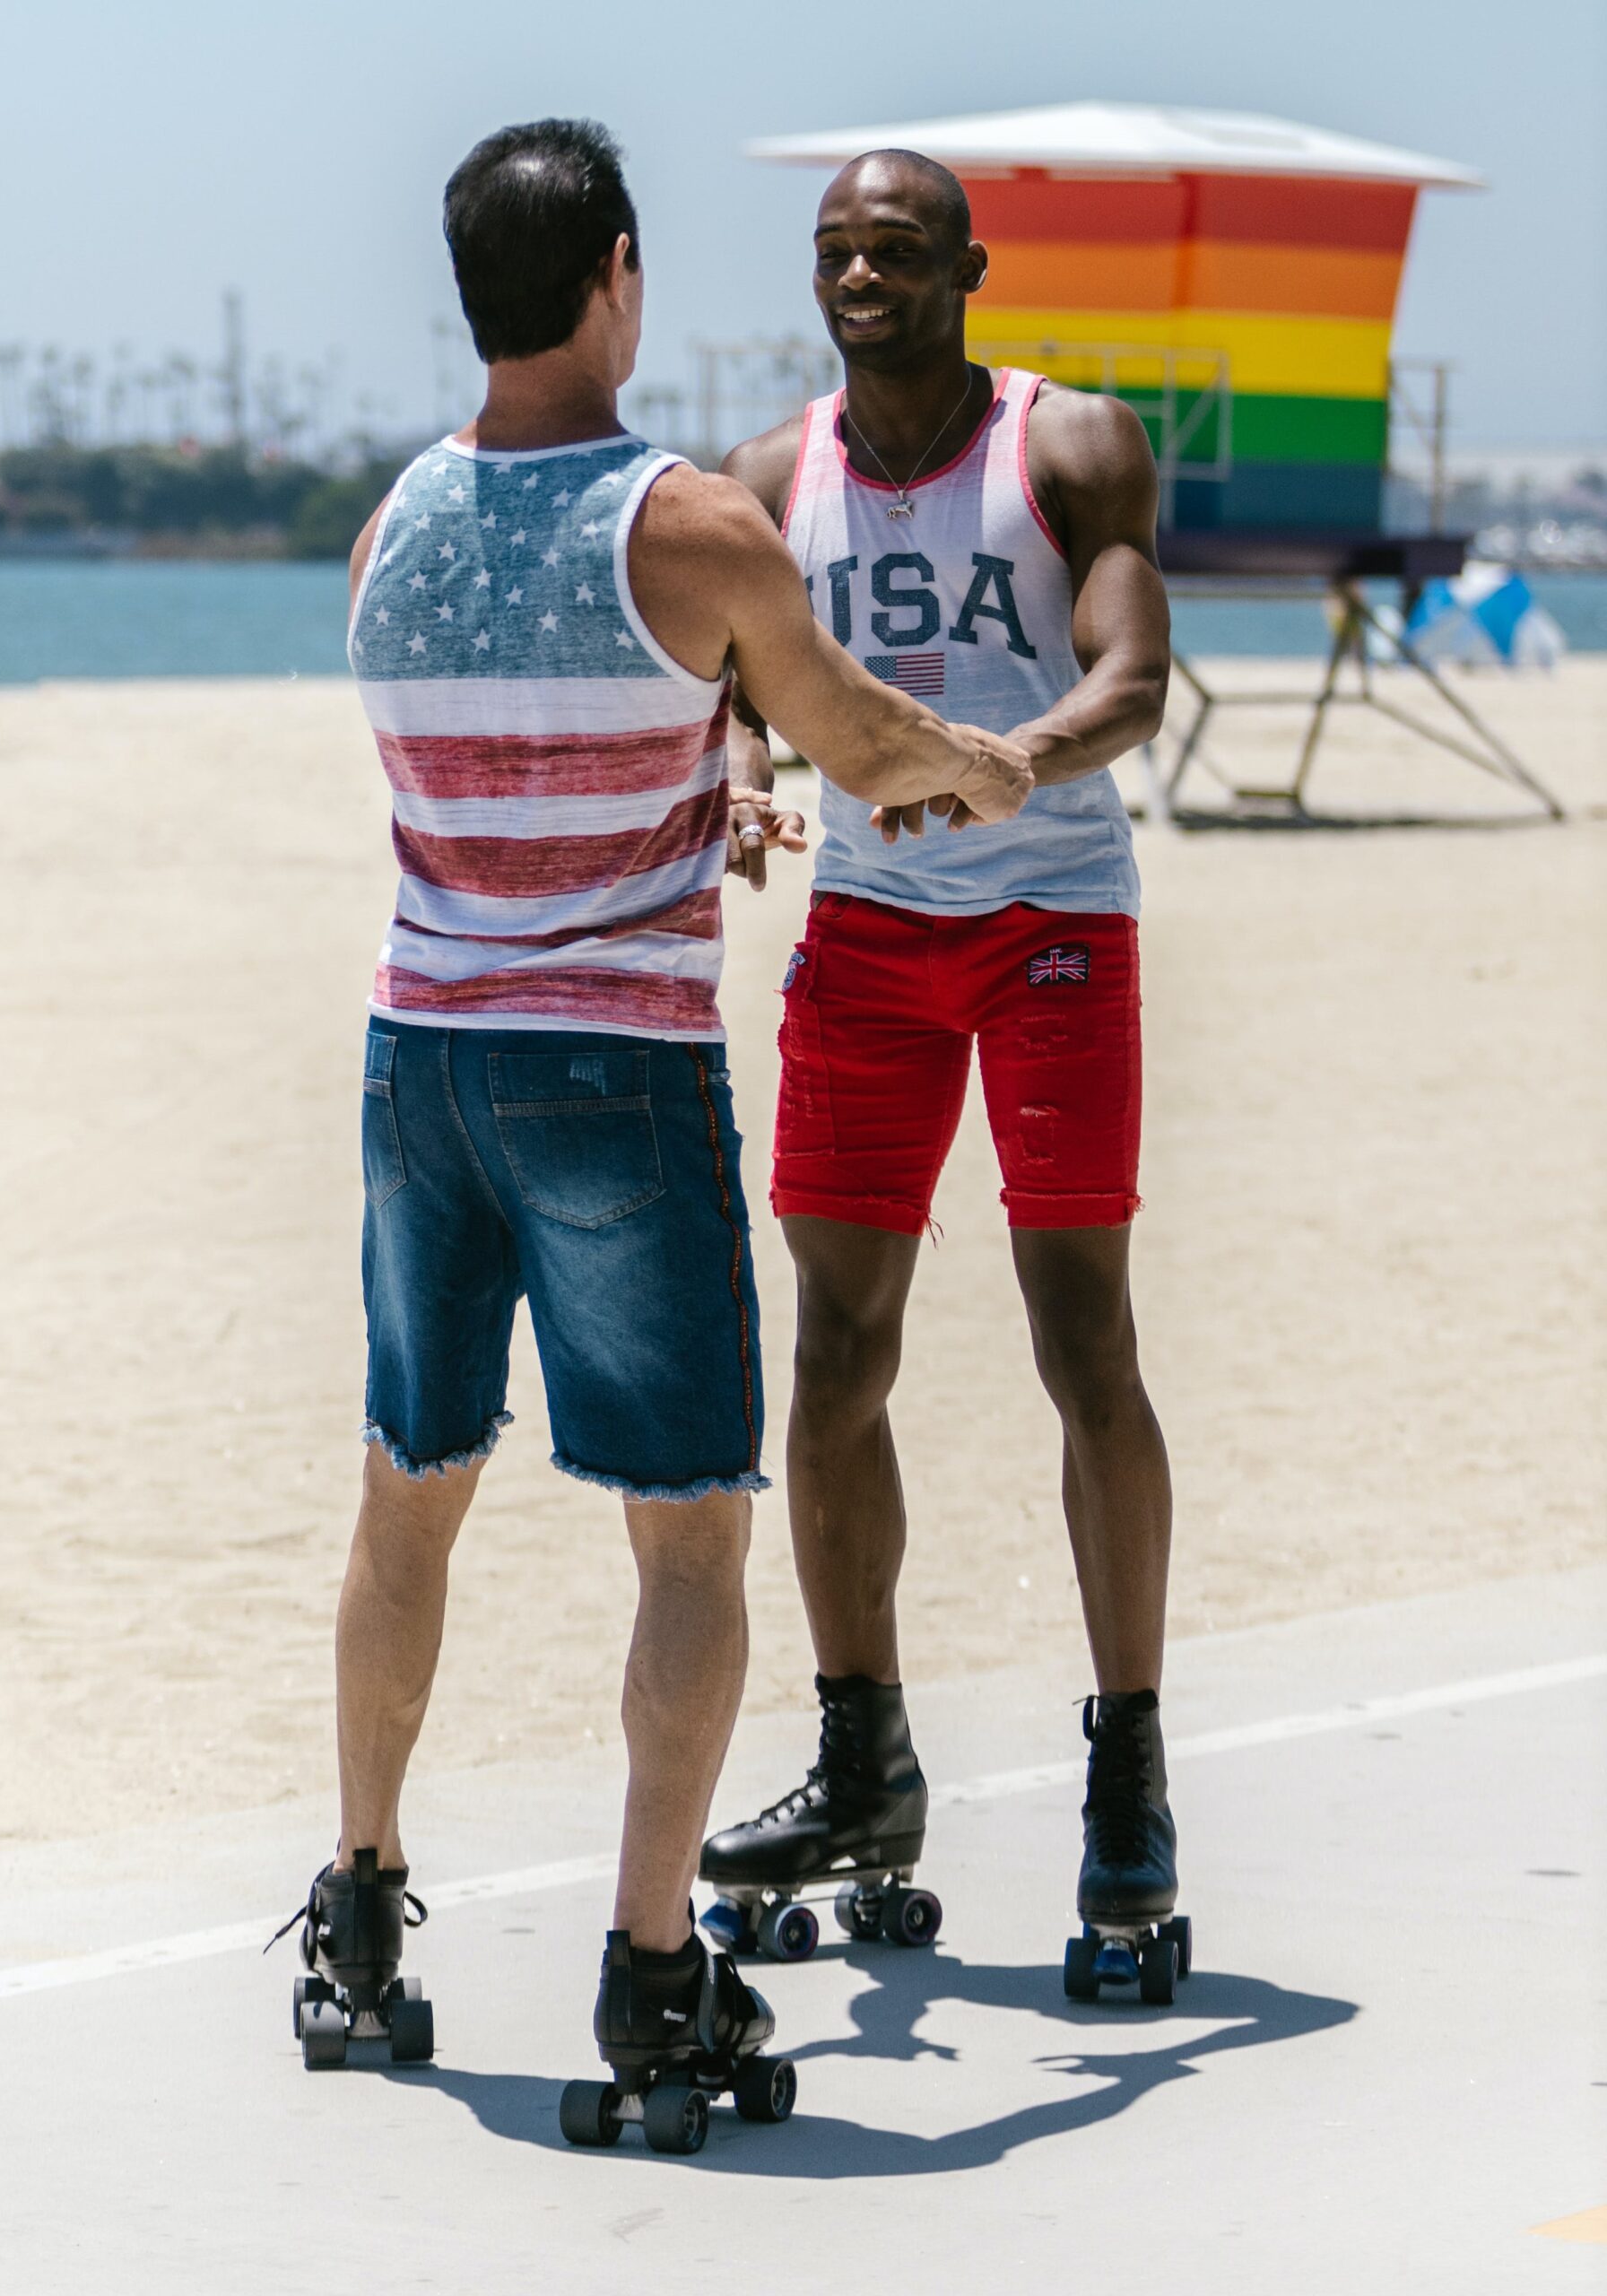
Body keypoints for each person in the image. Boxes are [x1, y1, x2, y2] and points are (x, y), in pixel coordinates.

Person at [275, 120, 1032, 2124]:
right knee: (688, 1535)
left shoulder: (390, 531)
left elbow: (514, 764)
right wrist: (989, 762)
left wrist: (699, 790)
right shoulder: (685, 523)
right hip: (611, 1068)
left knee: (406, 1485)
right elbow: (864, 739)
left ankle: (359, 1915)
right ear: (615, 271)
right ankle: (651, 1970)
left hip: (419, 1053)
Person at [699, 149, 1182, 1979]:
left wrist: (1004, 765)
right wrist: (740, 775)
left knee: (1085, 1341)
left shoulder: (1069, 450)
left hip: (1053, 919)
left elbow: (1131, 674)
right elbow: (734, 685)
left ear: (969, 267)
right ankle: (859, 1750)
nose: (863, 273)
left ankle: (1125, 1771)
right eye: (836, 250)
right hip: (870, 948)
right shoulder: (767, 479)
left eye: (897, 248)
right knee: (832, 1352)